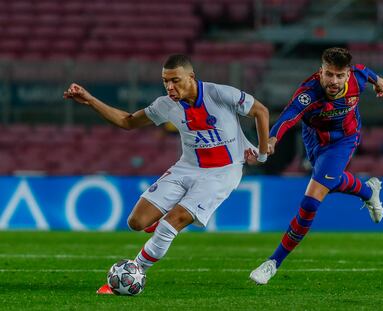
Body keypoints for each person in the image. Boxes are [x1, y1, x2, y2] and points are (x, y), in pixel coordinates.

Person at [63, 54, 270, 293]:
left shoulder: (220, 94)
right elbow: (128, 122)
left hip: (222, 174)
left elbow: (261, 111)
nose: (170, 87)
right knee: (136, 222)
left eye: (175, 80)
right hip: (187, 167)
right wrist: (89, 99)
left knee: (170, 224)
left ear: (191, 77)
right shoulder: (166, 105)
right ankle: (157, 229)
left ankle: (134, 273)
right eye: (165, 82)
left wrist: (262, 155)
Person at [246, 47, 383, 285]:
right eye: (329, 74)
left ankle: (272, 263)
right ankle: (368, 191)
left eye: (339, 75)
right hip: (315, 139)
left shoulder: (357, 78)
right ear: (321, 72)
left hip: (345, 139)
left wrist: (378, 81)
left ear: (347, 74)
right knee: (329, 183)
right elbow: (289, 115)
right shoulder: (308, 92)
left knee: (311, 200)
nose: (334, 81)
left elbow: (365, 71)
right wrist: (272, 139)